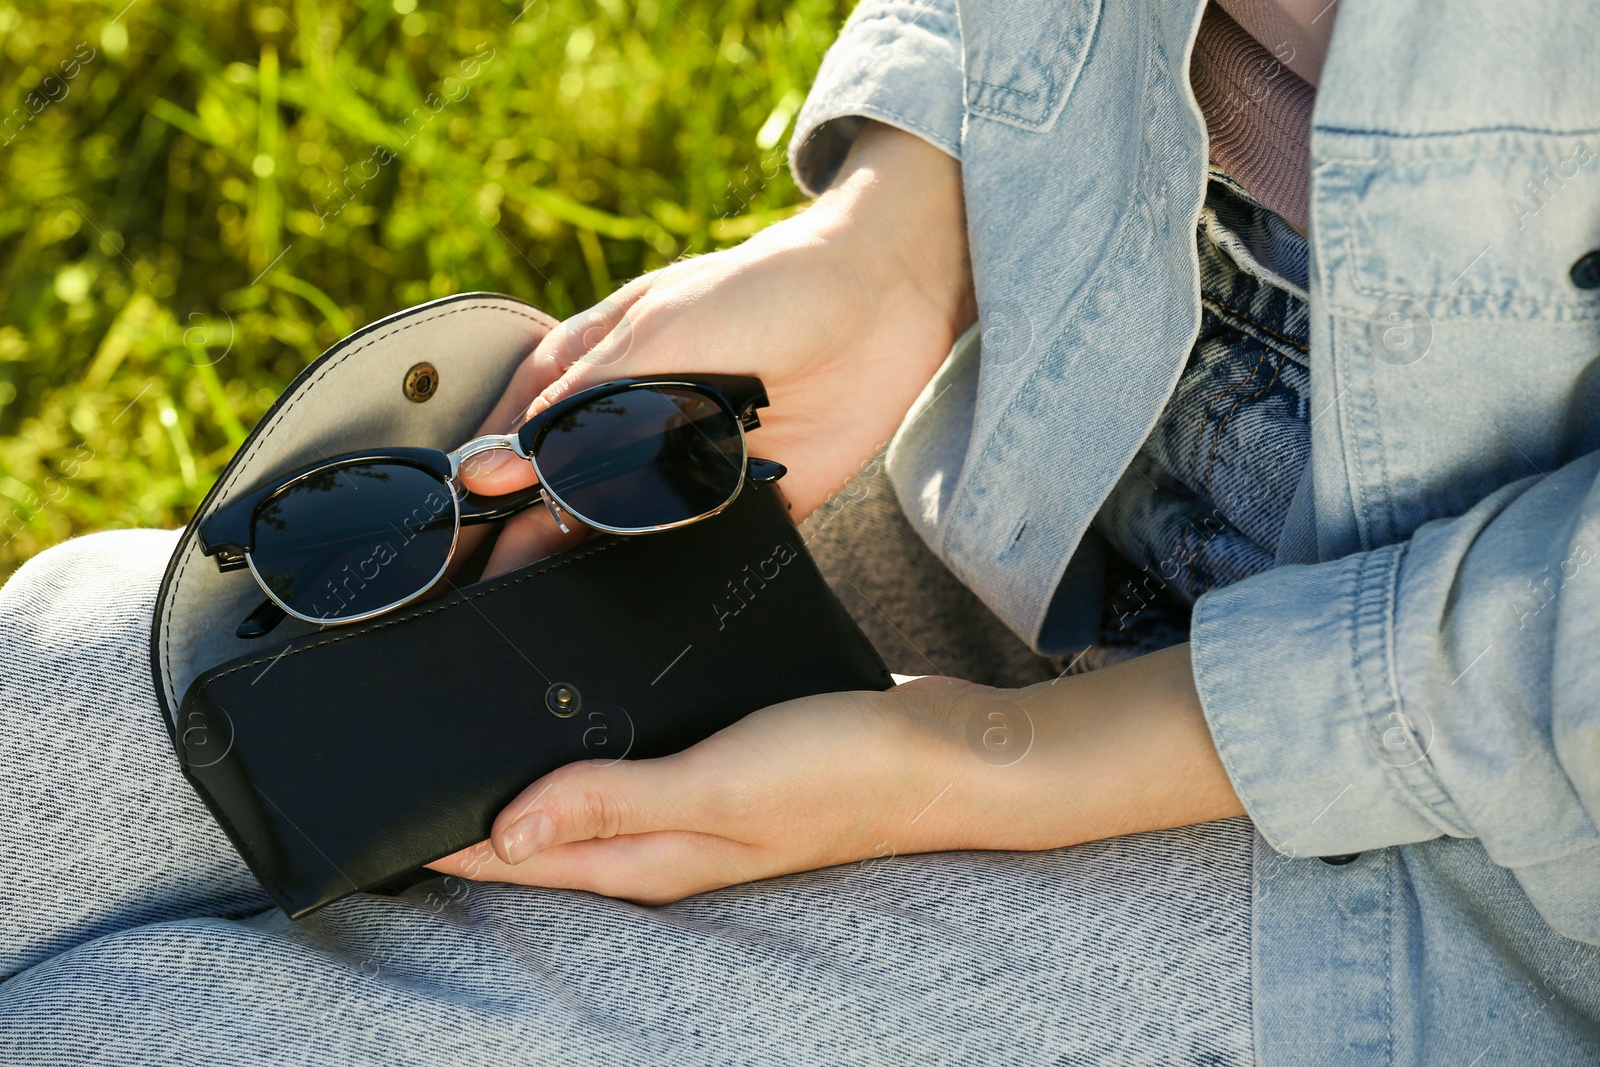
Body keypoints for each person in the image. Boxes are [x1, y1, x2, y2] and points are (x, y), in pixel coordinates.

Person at [1, 0, 1596, 1063]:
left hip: (1483, 826)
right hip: (1051, 420)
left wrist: (991, 762)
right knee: (54, 709)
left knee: (138, 1036)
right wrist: (905, 222)